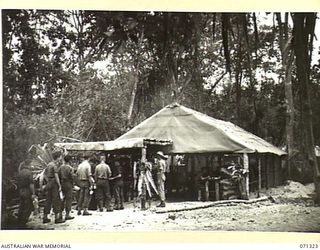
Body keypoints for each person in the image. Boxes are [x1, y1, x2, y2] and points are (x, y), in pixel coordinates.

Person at [43, 151, 65, 224]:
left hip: (49, 183)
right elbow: (56, 176)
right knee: (56, 200)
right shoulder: (54, 165)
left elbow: (45, 174)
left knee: (48, 200)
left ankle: (45, 217)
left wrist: (48, 181)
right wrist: (59, 185)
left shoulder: (49, 164)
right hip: (54, 184)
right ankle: (57, 218)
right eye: (60, 157)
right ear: (58, 157)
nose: (61, 158)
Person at [17, 158, 36, 227]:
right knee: (28, 206)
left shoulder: (20, 172)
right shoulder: (29, 172)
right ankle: (23, 222)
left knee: (22, 206)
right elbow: (31, 184)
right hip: (27, 190)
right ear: (29, 164)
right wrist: (33, 193)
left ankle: (19, 220)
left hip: (21, 190)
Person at [59, 155, 75, 220]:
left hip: (62, 183)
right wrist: (73, 183)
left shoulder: (60, 167)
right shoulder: (70, 168)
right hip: (68, 183)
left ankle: (60, 214)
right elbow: (72, 177)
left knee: (62, 199)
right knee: (69, 199)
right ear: (70, 160)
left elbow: (58, 175)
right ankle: (67, 214)